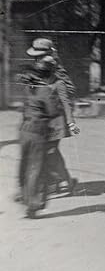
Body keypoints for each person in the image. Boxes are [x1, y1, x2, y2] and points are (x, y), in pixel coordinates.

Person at [25, 38, 80, 195]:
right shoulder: (35, 68)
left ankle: (66, 180)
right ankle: (55, 181)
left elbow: (69, 92)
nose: (37, 58)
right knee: (44, 150)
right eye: (36, 55)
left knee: (50, 150)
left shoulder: (57, 70)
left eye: (40, 55)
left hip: (56, 118)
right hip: (40, 117)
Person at [17, 55, 66, 218]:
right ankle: (33, 204)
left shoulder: (28, 89)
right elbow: (53, 111)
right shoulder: (46, 90)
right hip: (39, 131)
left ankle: (25, 198)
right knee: (36, 168)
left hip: (24, 130)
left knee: (25, 165)